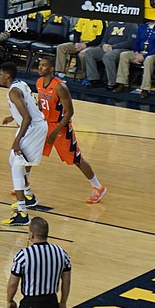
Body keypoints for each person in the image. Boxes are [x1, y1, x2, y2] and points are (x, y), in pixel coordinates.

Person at [35, 57, 107, 204]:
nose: (40, 68)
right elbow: (41, 105)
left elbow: (70, 112)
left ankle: (98, 187)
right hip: (44, 124)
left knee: (76, 159)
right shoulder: (38, 82)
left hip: (61, 127)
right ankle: (23, 185)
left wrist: (55, 131)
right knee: (31, 151)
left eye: (43, 66)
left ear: (51, 69)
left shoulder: (60, 87)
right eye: (39, 65)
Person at [0, 62, 47, 226]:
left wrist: (16, 141)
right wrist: (12, 116)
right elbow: (31, 105)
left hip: (32, 128)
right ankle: (28, 196)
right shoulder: (21, 84)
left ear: (7, 76)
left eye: (0, 74)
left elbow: (27, 118)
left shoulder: (13, 91)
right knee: (14, 161)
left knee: (16, 168)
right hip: (35, 125)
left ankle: (22, 212)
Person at [7, 217, 72, 308]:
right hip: (51, 302)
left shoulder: (23, 255)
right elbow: (67, 282)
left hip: (30, 304)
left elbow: (13, 284)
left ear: (32, 235)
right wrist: (63, 303)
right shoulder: (61, 252)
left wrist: (10, 300)